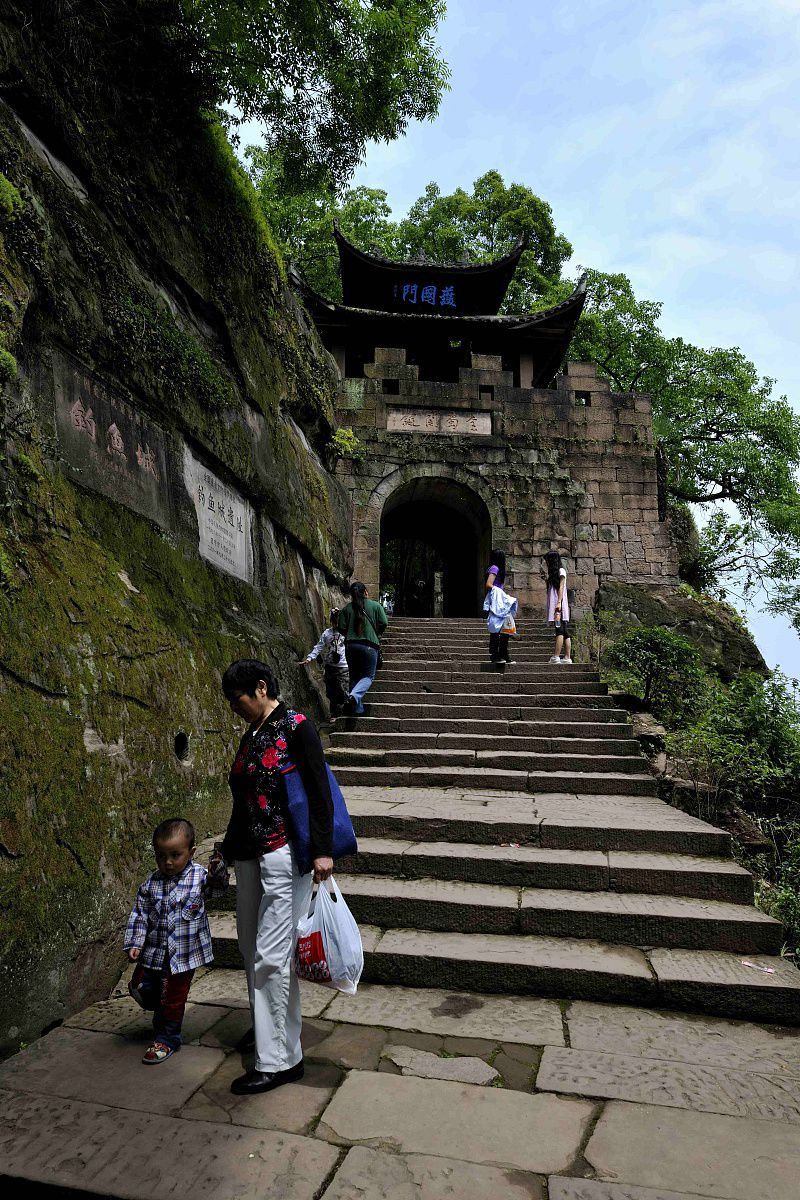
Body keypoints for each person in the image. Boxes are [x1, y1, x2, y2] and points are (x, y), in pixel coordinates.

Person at [219, 659, 333, 1095]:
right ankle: (268, 1029)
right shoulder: (252, 734)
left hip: (285, 856)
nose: (234, 708)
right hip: (249, 855)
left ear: (261, 687)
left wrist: (322, 850)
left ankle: (281, 1061)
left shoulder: (297, 725)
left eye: (238, 699)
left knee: (271, 953)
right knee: (251, 948)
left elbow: (320, 791)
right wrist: (225, 850)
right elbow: (242, 798)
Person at [124, 817, 229, 1064]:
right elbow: (140, 914)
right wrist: (136, 942)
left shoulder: (199, 877)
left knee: (172, 998)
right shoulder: (151, 884)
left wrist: (218, 870)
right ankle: (157, 1007)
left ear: (191, 852)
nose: (168, 862)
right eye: (161, 856)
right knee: (140, 987)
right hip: (154, 952)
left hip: (184, 956)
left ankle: (167, 1038)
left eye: (175, 855)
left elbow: (217, 888)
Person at [337, 582, 388, 715]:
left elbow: (341, 628)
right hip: (370, 646)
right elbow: (384, 622)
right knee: (368, 677)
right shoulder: (376, 606)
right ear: (365, 592)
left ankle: (357, 709)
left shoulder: (346, 609)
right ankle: (354, 696)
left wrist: (351, 634)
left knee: (354, 676)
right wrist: (376, 633)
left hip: (351, 646)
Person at [298, 608, 349, 718]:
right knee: (331, 692)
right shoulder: (327, 633)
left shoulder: (347, 632)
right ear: (331, 621)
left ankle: (344, 714)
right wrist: (310, 658)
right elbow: (319, 646)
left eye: (338, 622)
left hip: (343, 667)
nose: (336, 624)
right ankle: (334, 714)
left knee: (343, 691)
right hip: (330, 666)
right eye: (334, 622)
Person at [484, 549, 516, 665]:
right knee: (496, 627)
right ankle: (495, 655)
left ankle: (503, 654)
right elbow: (488, 584)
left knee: (506, 627)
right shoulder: (494, 568)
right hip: (497, 601)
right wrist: (499, 592)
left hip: (500, 600)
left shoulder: (495, 568)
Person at [544, 550, 572, 664]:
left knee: (559, 629)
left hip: (558, 606)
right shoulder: (553, 574)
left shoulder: (561, 571)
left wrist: (558, 603)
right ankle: (567, 657)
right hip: (557, 605)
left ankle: (556, 657)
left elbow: (561, 587)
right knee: (564, 631)